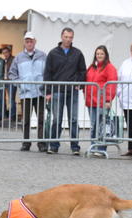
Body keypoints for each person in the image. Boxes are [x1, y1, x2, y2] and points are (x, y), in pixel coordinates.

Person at [44, 27, 86, 155]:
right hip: (57, 91)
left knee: (73, 119)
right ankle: (54, 145)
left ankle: (75, 147)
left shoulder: (77, 53)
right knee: (57, 119)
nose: (68, 39)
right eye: (66, 37)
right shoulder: (53, 53)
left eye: (70, 37)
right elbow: (48, 73)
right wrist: (48, 92)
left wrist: (79, 83)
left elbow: (82, 71)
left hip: (72, 92)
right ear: (61, 36)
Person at [9, 32, 47, 152]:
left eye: (31, 41)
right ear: (24, 43)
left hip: (40, 93)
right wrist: (20, 84)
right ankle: (26, 143)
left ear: (35, 42)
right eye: (27, 41)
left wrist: (44, 86)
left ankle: (41, 143)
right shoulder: (18, 57)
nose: (29, 43)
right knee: (25, 120)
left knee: (41, 119)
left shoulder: (42, 55)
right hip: (26, 94)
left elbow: (47, 73)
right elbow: (12, 73)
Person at [85, 45, 117, 156]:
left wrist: (108, 100)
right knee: (94, 126)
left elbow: (112, 84)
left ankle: (101, 148)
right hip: (91, 102)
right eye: (97, 54)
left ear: (106, 55)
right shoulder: (92, 67)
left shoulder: (110, 67)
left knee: (102, 126)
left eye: (101, 54)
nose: (99, 56)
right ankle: (94, 146)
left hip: (102, 102)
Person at [2, 46, 16, 121]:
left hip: (11, 81)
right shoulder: (4, 60)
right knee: (5, 99)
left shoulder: (13, 59)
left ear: (9, 52)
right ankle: (6, 115)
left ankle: (12, 116)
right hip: (5, 81)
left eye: (6, 52)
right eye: (4, 53)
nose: (5, 54)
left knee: (11, 99)